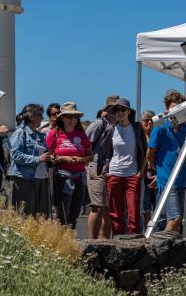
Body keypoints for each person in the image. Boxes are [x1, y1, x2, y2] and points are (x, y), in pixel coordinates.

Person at [102, 98, 147, 235]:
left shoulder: (137, 128)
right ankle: (118, 240)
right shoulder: (110, 129)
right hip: (114, 174)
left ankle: (134, 241)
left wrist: (140, 173)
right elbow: (104, 151)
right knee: (116, 213)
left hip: (132, 175)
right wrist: (105, 171)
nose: (119, 112)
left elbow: (145, 153)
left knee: (134, 212)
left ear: (128, 111)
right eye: (116, 110)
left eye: (122, 109)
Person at [46, 102, 93, 229]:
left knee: (74, 212)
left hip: (79, 177)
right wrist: (63, 159)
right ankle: (61, 241)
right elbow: (50, 157)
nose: (71, 120)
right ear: (62, 118)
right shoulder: (54, 134)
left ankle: (70, 240)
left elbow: (91, 156)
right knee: (62, 213)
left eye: (74, 117)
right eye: (68, 116)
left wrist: (81, 159)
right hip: (61, 177)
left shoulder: (82, 135)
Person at [147, 90, 186, 233]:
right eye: (173, 107)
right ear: (167, 109)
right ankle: (164, 250)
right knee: (175, 218)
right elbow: (150, 154)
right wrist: (156, 172)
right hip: (167, 180)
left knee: (170, 220)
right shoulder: (160, 128)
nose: (176, 111)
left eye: (180, 107)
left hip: (183, 180)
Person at [7, 103, 52, 217]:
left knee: (40, 215)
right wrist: (38, 158)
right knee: (24, 214)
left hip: (41, 179)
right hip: (25, 179)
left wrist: (50, 158)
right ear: (31, 117)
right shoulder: (20, 133)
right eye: (40, 115)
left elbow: (45, 156)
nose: (42, 118)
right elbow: (15, 155)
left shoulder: (40, 136)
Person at [85, 95, 119, 239]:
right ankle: (91, 241)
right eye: (113, 108)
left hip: (110, 169)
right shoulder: (99, 123)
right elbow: (86, 145)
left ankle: (104, 241)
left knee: (107, 208)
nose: (115, 111)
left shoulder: (118, 125)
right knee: (97, 206)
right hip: (96, 168)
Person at [140, 109, 157, 230]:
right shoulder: (138, 138)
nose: (149, 123)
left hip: (156, 175)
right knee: (146, 209)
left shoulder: (158, 136)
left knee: (158, 208)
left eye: (151, 120)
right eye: (146, 120)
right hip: (143, 176)